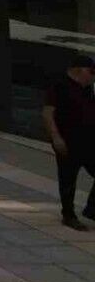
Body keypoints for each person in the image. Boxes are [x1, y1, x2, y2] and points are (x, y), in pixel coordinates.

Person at [43, 55, 95, 230]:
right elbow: (48, 113)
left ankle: (92, 210)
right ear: (79, 70)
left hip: (89, 141)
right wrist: (56, 137)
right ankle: (68, 215)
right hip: (67, 141)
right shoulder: (59, 85)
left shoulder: (88, 88)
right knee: (68, 179)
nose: (93, 77)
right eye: (91, 73)